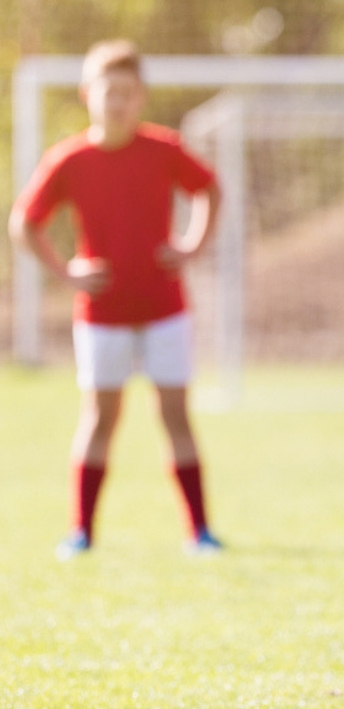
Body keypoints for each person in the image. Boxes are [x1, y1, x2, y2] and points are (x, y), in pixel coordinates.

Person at [9, 39, 223, 560]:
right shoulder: (70, 159)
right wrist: (68, 273)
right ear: (88, 95)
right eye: (109, 92)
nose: (119, 102)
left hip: (164, 308)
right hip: (101, 314)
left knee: (175, 416)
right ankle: (80, 532)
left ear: (141, 97)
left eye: (129, 93)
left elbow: (210, 189)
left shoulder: (164, 148)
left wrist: (192, 244)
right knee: (100, 419)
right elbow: (24, 224)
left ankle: (199, 532)